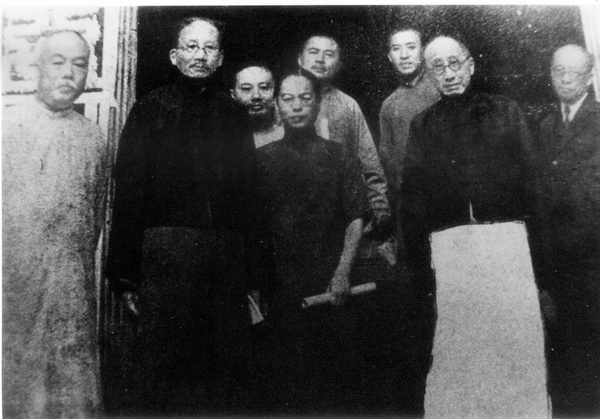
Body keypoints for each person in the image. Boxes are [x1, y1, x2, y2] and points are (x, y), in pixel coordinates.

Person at [105, 17, 270, 415]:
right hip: (166, 259)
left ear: (220, 59)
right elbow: (129, 195)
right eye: (191, 47)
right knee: (164, 370)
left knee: (222, 372)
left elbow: (249, 196)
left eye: (209, 48)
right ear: (174, 55)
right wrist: (126, 275)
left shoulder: (233, 114)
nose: (200, 55)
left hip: (223, 260)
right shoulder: (149, 109)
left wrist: (256, 274)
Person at [400, 35, 534, 414]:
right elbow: (412, 199)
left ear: (470, 66)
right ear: (430, 76)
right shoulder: (423, 126)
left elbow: (531, 183)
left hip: (508, 247)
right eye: (438, 68)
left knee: (514, 349)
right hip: (452, 253)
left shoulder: (506, 112)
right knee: (465, 352)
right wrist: (421, 266)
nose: (448, 74)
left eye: (454, 64)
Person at [3, 30, 107, 417]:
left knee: (71, 385)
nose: (68, 73)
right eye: (58, 62)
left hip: (71, 291)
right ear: (38, 66)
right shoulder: (7, 127)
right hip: (13, 290)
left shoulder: (94, 138)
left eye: (79, 64)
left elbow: (94, 219)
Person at [255, 68, 369, 414]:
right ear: (277, 105)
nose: (297, 106)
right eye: (288, 99)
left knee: (333, 384)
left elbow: (355, 218)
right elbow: (253, 228)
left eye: (305, 98)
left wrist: (342, 272)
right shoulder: (262, 160)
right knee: (285, 384)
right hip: (280, 288)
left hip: (330, 285)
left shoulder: (340, 156)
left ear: (317, 104)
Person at [532, 44, 600, 416]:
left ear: (589, 77)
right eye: (559, 71)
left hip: (593, 267)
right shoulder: (544, 126)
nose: (565, 78)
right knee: (566, 368)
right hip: (557, 271)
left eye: (574, 72)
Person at [298, 34, 391, 238]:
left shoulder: (348, 106)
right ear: (300, 59)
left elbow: (370, 165)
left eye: (328, 54)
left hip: (343, 215)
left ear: (338, 65)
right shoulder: (285, 102)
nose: (320, 60)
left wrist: (380, 211)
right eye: (313, 52)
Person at [379, 28, 440, 248]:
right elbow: (388, 163)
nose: (404, 55)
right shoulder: (389, 105)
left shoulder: (441, 89)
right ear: (389, 56)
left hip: (444, 200)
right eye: (397, 49)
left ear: (423, 51)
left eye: (411, 47)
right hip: (408, 208)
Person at [230, 62, 284, 148]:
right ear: (233, 95)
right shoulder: (224, 134)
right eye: (246, 89)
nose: (256, 96)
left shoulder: (290, 129)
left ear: (276, 91)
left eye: (264, 87)